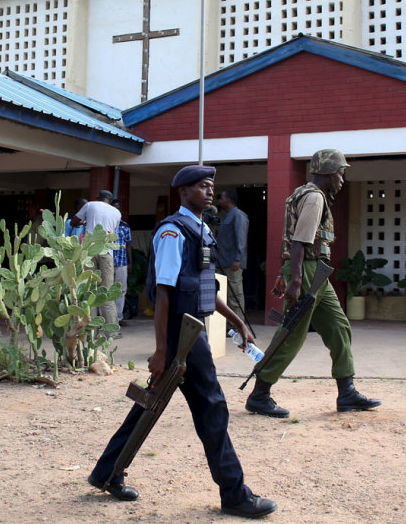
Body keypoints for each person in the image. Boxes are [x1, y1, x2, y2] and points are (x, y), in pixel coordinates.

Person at [87, 166, 278, 519]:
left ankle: (106, 473)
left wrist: (237, 322)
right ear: (184, 191)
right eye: (203, 187)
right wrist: (162, 351)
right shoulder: (173, 232)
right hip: (180, 333)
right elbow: (164, 294)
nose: (210, 192)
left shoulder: (200, 229)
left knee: (150, 403)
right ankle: (234, 495)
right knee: (212, 409)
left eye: (212, 187)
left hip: (191, 330)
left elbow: (205, 287)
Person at [246, 149, 381, 418]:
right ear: (329, 173)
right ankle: (259, 395)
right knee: (291, 334)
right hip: (307, 272)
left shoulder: (307, 194)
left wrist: (286, 274)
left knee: (339, 326)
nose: (342, 178)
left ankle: (347, 392)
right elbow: (299, 241)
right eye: (341, 173)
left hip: (316, 272)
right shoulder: (314, 198)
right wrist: (295, 280)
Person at [71, 190, 121, 327]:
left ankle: (89, 330)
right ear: (110, 201)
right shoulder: (117, 213)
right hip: (106, 252)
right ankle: (111, 331)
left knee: (89, 291)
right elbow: (113, 233)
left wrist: (85, 223)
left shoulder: (90, 205)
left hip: (89, 251)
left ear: (98, 198)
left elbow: (73, 222)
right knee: (106, 292)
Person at [216, 189, 249, 325]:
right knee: (225, 295)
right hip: (223, 262)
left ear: (228, 199)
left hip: (232, 263)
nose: (220, 201)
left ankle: (238, 326)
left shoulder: (238, 216)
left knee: (235, 295)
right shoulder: (228, 216)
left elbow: (241, 238)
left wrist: (237, 259)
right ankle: (230, 325)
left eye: (221, 197)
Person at [111, 199, 132, 326]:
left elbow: (129, 244)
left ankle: (118, 318)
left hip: (122, 262)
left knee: (121, 290)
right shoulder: (106, 224)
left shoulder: (125, 226)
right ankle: (108, 319)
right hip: (107, 262)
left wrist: (130, 262)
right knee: (107, 291)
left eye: (118, 208)